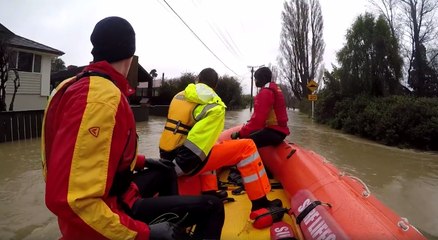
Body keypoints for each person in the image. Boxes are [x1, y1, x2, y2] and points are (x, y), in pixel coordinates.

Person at [42, 16, 224, 240]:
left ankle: (171, 225)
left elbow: (90, 157)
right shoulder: (102, 98)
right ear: (130, 56)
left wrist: (142, 161)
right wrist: (145, 234)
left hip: (116, 194)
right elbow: (75, 202)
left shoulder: (68, 86)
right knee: (213, 206)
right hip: (109, 213)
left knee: (166, 169)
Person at [158, 67, 282, 216]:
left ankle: (209, 192)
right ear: (215, 86)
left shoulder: (179, 96)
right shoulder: (215, 105)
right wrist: (176, 169)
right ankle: (260, 205)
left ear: (197, 79)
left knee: (210, 143)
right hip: (183, 163)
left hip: (166, 155)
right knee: (247, 147)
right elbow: (196, 148)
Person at [230, 67, 290, 148]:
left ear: (262, 78)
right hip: (280, 132)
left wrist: (240, 133)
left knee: (243, 144)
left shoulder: (265, 92)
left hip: (274, 132)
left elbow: (257, 121)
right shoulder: (274, 88)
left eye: (256, 78)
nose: (255, 81)